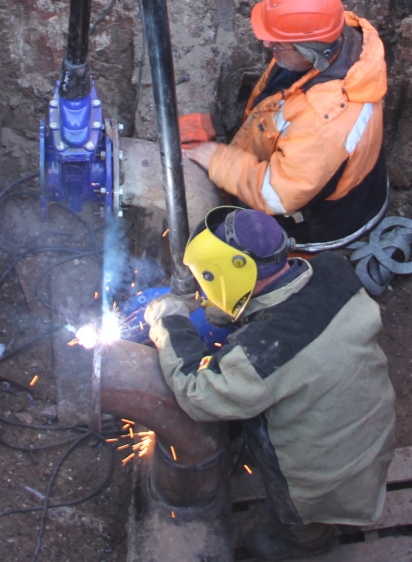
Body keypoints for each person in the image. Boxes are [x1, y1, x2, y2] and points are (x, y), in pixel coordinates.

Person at [145, 206, 396, 559]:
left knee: (294, 509)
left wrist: (169, 322)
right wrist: (212, 303)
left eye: (205, 278)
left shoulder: (267, 352)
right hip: (370, 427)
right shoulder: (332, 269)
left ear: (230, 275)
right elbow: (269, 301)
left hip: (323, 473)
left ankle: (304, 540)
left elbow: (198, 391)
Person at [183, 0, 388, 251]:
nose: (268, 46)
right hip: (342, 180)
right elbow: (281, 106)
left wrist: (218, 160)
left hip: (320, 223)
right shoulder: (335, 34)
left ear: (312, 52)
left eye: (278, 43)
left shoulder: (324, 119)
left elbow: (277, 195)